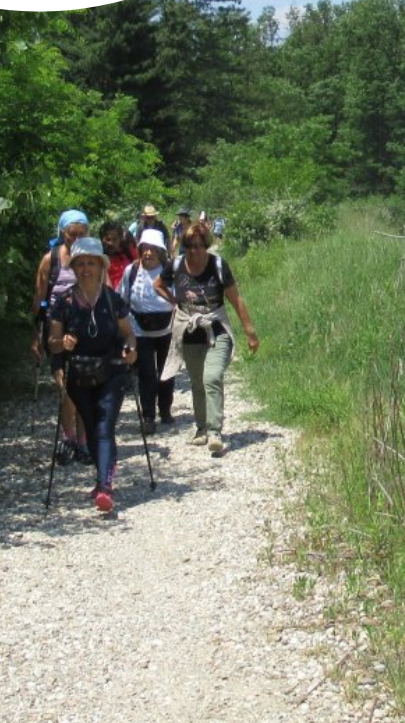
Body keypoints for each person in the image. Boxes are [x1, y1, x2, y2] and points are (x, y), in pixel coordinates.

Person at [48, 236, 136, 513]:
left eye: (91, 263)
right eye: (81, 263)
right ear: (73, 267)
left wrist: (131, 350)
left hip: (112, 372)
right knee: (91, 424)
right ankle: (104, 475)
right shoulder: (64, 302)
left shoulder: (113, 300)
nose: (86, 268)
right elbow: (53, 341)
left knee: (103, 426)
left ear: (101, 266)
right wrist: (62, 346)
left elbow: (128, 334)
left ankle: (104, 487)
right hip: (79, 376)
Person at [159, 218, 259, 457]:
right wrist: (175, 303)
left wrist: (249, 331)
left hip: (216, 327)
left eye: (199, 245)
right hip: (190, 329)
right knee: (197, 383)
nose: (195, 251)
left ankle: (215, 432)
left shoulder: (218, 265)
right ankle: (202, 428)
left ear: (206, 245)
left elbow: (236, 299)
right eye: (190, 246)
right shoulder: (176, 265)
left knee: (211, 376)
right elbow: (158, 284)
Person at [32, 209, 91, 464]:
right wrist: (36, 335)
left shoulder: (92, 259)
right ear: (62, 233)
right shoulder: (50, 259)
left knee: (85, 389)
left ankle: (83, 443)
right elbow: (39, 299)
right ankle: (69, 439)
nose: (76, 238)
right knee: (65, 388)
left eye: (82, 233)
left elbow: (105, 291)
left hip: (87, 331)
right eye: (72, 233)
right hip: (56, 329)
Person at [118, 228, 176, 430]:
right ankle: (148, 416)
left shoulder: (170, 270)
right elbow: (122, 299)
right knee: (146, 373)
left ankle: (166, 409)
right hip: (139, 330)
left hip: (167, 328)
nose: (148, 253)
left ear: (160, 251)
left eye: (153, 249)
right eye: (145, 248)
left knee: (166, 371)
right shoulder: (131, 271)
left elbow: (180, 299)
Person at [99, 219, 135, 290]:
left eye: (115, 239)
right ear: (101, 239)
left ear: (120, 239)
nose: (111, 243)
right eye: (108, 239)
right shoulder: (97, 258)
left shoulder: (128, 253)